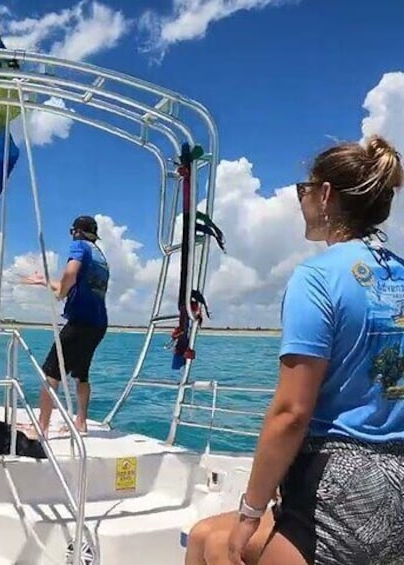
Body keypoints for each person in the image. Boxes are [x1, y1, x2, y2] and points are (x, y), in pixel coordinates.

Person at [192, 135, 404, 565]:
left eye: (303, 190)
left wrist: (251, 512)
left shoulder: (317, 277)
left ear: (326, 195)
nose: (301, 200)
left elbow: (291, 413)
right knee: (203, 537)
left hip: (337, 492)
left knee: (221, 546)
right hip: (396, 485)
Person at [23, 215, 110, 434]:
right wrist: (45, 281)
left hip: (80, 322)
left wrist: (60, 293)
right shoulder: (100, 257)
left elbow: (69, 275)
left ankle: (40, 428)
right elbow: (72, 285)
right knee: (82, 373)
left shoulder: (79, 245)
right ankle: (81, 423)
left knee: (50, 372)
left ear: (77, 231)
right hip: (98, 324)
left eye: (72, 231)